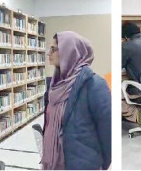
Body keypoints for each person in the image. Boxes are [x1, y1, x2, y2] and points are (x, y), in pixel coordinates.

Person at [42, 32, 111, 170]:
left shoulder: (93, 84)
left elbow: (107, 130)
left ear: (70, 52)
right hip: (53, 163)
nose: (48, 53)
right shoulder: (54, 84)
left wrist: (104, 164)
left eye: (54, 49)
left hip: (82, 164)